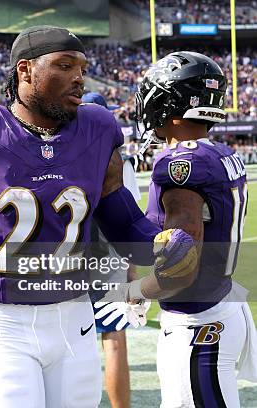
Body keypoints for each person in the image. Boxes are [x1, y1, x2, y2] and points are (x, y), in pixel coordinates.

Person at [0, 26, 197, 408]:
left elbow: (124, 223)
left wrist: (161, 243)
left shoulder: (97, 130)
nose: (79, 77)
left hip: (76, 317)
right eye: (65, 65)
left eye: (82, 67)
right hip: (2, 322)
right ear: (25, 70)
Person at [134, 51, 257, 407]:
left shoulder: (182, 163)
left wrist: (136, 289)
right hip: (220, 306)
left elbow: (180, 265)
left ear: (170, 104)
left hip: (199, 325)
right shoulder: (219, 153)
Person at [83, 91, 141, 408]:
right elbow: (129, 217)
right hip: (109, 258)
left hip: (70, 257)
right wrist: (131, 270)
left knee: (71, 341)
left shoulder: (62, 152)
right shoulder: (120, 159)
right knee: (115, 339)